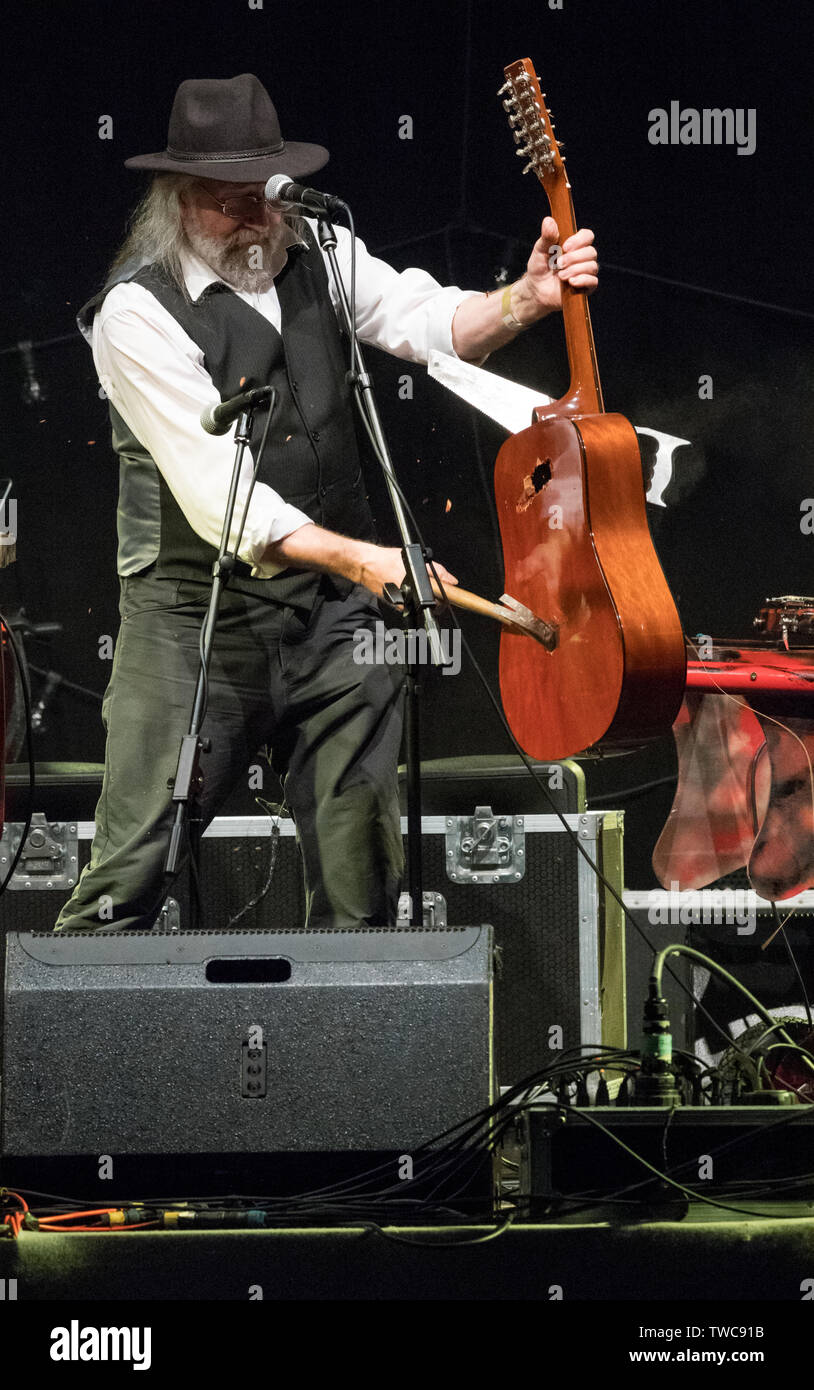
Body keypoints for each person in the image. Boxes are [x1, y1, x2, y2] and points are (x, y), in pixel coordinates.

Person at [54, 73, 598, 933]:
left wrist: (523, 299)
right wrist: (367, 559)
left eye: (264, 202)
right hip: (195, 622)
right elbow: (222, 500)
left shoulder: (318, 250)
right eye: (229, 205)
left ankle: (354, 1034)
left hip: (333, 623)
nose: (255, 222)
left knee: (364, 889)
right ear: (180, 200)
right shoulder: (135, 313)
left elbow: (427, 322)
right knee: (128, 878)